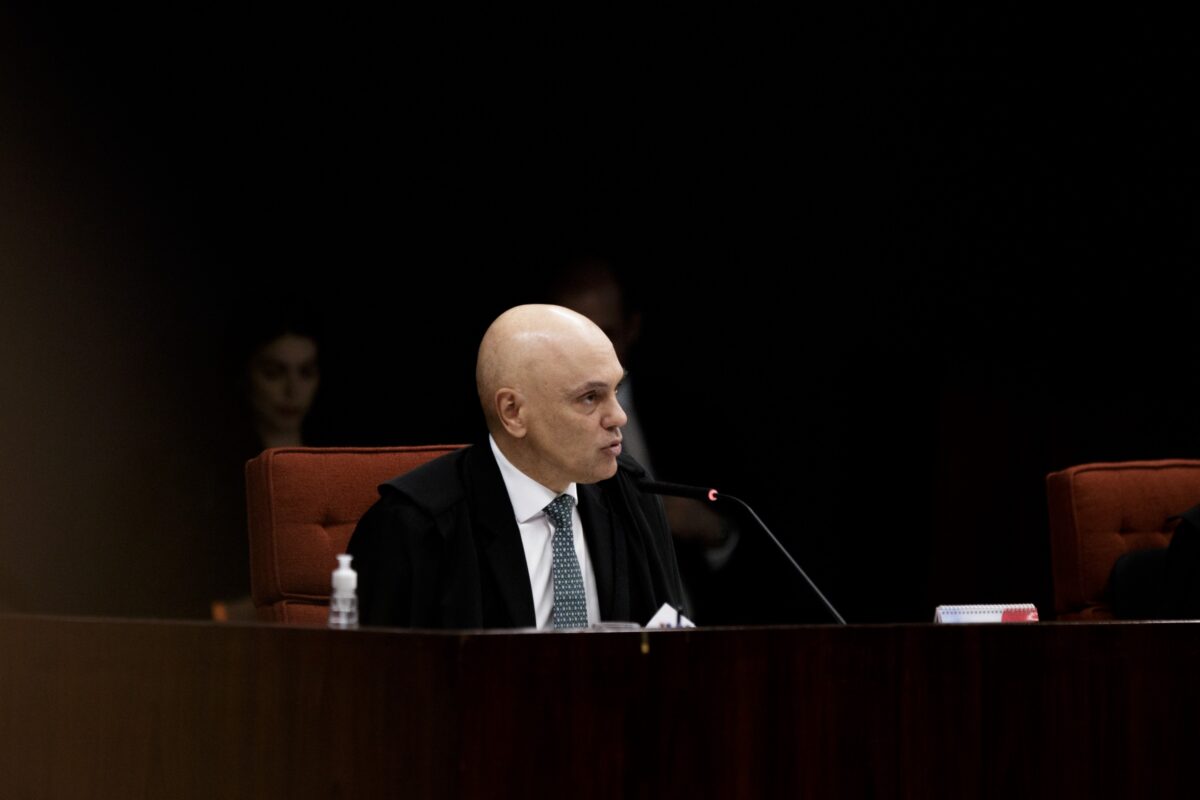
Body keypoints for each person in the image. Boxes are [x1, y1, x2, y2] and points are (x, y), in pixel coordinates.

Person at [347, 304, 686, 629]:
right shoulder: (414, 525)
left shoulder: (629, 493)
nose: (619, 416)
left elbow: (671, 646)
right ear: (513, 412)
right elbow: (379, 667)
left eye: (616, 390)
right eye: (590, 398)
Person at [543, 255, 739, 621]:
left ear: (631, 329)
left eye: (607, 334)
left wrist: (712, 529)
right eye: (577, 337)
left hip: (694, 632)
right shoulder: (532, 429)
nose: (592, 353)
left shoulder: (686, 418)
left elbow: (754, 562)